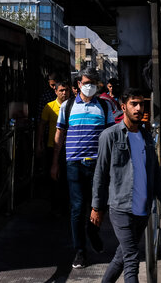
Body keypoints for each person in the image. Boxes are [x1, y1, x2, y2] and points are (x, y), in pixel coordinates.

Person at [91, 87, 161, 283]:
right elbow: (100, 174)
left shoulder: (146, 137)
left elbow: (155, 172)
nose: (138, 108)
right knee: (132, 259)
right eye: (133, 104)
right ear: (123, 107)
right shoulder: (110, 136)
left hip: (143, 210)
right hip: (121, 208)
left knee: (122, 255)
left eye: (141, 104)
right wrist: (96, 207)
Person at [51, 68, 114, 269]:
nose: (90, 85)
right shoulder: (67, 107)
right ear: (78, 84)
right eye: (87, 82)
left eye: (94, 82)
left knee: (98, 205)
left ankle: (92, 232)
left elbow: (110, 136)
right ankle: (80, 251)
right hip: (74, 164)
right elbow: (59, 136)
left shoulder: (105, 107)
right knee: (77, 208)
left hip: (97, 165)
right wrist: (54, 163)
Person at [35, 80, 70, 212]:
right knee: (53, 178)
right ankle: (55, 206)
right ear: (55, 91)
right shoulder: (49, 107)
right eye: (61, 90)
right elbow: (41, 125)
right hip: (52, 147)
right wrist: (39, 144)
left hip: (69, 148)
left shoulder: (73, 107)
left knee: (67, 179)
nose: (64, 93)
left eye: (66, 90)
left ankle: (66, 206)